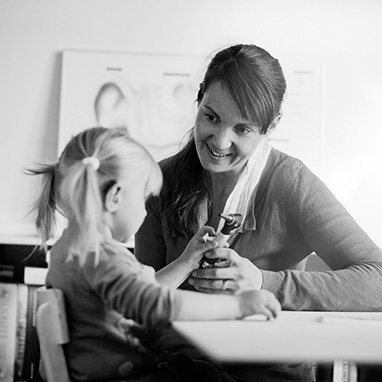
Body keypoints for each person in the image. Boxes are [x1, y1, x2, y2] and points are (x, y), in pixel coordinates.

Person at [135, 44, 382, 381]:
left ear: (272, 125)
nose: (220, 142)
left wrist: (264, 283)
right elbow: (138, 302)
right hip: (176, 371)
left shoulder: (291, 183)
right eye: (211, 117)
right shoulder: (161, 180)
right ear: (199, 98)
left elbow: (378, 279)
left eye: (243, 128)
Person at [29, 126, 280, 382]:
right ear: (115, 196)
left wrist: (185, 262)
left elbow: (139, 296)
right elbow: (157, 305)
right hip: (124, 377)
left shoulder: (70, 250)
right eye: (144, 199)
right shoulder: (102, 259)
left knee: (200, 371)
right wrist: (238, 305)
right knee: (207, 376)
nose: (146, 211)